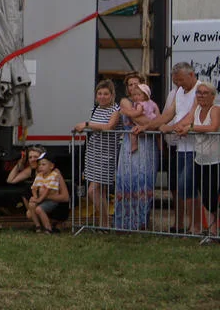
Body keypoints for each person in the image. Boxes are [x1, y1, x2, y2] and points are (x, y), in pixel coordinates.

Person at [134, 62, 202, 233]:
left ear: (192, 75)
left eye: (181, 80)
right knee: (182, 188)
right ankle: (192, 225)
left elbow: (191, 115)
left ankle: (196, 225)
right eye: (176, 81)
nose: (178, 84)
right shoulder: (179, 91)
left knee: (187, 187)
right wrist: (147, 126)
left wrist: (171, 128)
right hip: (181, 148)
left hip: (197, 148)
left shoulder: (200, 90)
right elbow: (167, 115)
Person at [166, 81, 220, 234]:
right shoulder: (196, 110)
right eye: (199, 92)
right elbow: (185, 123)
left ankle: (214, 230)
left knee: (213, 196)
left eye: (204, 93)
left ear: (212, 96)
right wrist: (177, 127)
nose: (201, 95)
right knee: (205, 196)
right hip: (200, 158)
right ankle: (210, 230)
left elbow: (212, 127)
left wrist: (189, 128)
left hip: (215, 160)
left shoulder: (215, 109)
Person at [73, 79, 121, 228]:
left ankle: (106, 221)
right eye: (99, 93)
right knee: (100, 191)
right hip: (93, 153)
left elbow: (109, 126)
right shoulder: (95, 109)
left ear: (112, 95)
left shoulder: (116, 110)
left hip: (107, 154)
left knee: (92, 191)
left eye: (106, 94)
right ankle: (104, 223)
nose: (102, 96)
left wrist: (87, 124)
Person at [114, 75, 159, 231]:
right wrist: (152, 123)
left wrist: (153, 124)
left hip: (147, 144)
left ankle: (142, 221)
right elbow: (145, 122)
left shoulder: (149, 103)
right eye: (130, 84)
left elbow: (156, 121)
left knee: (144, 181)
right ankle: (125, 222)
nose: (133, 87)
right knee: (127, 180)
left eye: (136, 84)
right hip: (129, 144)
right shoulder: (125, 102)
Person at [27, 152, 70, 233]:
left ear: (51, 166)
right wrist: (35, 197)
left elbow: (49, 191)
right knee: (31, 207)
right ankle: (38, 226)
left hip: (55, 202)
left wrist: (40, 199)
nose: (40, 166)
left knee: (39, 209)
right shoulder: (39, 175)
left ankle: (49, 228)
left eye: (43, 164)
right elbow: (34, 188)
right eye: (39, 164)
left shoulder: (55, 175)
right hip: (42, 200)